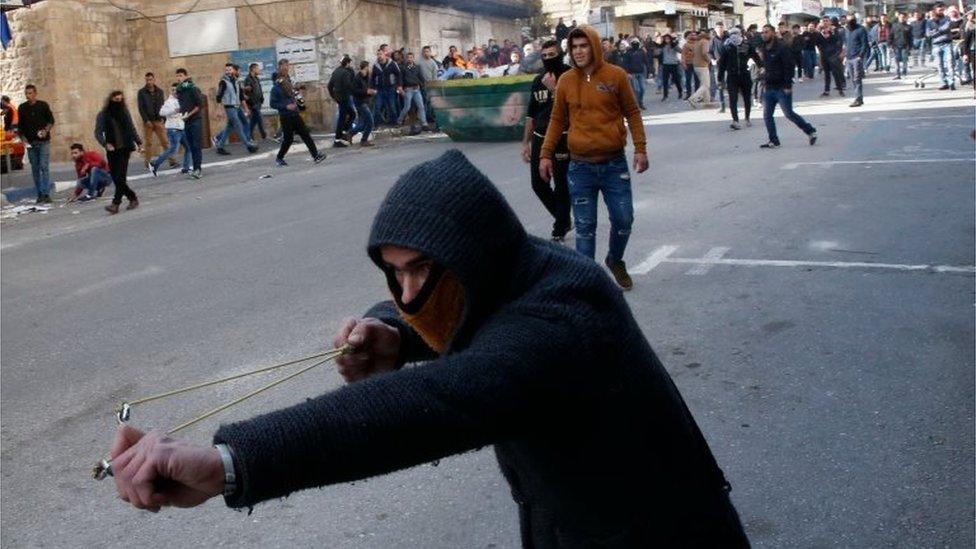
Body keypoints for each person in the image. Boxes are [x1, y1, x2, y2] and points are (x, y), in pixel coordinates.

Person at [106, 149, 750, 547]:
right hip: (575, 527)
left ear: (473, 252)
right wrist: (390, 329)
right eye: (393, 275)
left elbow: (431, 406)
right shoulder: (517, 268)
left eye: (420, 271)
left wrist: (230, 462)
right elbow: (459, 308)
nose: (407, 292)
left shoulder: (564, 315)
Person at [539, 25, 648, 290]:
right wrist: (545, 154)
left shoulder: (616, 76)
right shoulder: (565, 81)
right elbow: (556, 119)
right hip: (580, 168)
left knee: (624, 220)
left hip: (614, 164)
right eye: (574, 47)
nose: (578, 51)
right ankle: (587, 285)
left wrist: (641, 148)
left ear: (595, 47)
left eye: (583, 45)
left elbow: (632, 112)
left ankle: (615, 259)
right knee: (585, 228)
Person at [522, 39, 572, 243]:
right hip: (540, 137)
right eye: (545, 56)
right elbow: (530, 115)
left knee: (561, 185)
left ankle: (559, 226)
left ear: (560, 54)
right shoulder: (538, 80)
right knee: (538, 184)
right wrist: (525, 142)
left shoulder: (570, 76)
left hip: (563, 136)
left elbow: (572, 106)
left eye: (553, 55)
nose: (549, 59)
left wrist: (554, 90)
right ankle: (563, 217)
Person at [757, 24, 817, 149]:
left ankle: (810, 130)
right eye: (762, 32)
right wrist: (763, 71)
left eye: (766, 32)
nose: (764, 34)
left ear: (773, 33)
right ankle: (773, 140)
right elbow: (763, 63)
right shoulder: (763, 47)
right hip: (768, 86)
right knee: (767, 115)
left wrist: (787, 85)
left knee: (788, 114)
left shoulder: (782, 47)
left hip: (781, 87)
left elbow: (789, 66)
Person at [270, 59, 326, 167]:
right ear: (280, 68)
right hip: (285, 116)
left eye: (288, 66)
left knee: (305, 134)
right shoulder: (275, 88)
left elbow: (292, 92)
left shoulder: (288, 82)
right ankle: (279, 158)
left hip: (295, 114)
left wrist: (299, 93)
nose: (287, 69)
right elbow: (272, 104)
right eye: (285, 67)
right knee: (288, 139)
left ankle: (316, 156)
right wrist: (285, 106)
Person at [94, 90, 143, 214]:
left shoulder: (124, 112)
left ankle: (115, 204)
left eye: (120, 100)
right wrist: (105, 144)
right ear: (111, 100)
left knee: (120, 177)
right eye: (116, 100)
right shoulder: (103, 115)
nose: (118, 102)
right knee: (116, 178)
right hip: (112, 149)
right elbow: (98, 132)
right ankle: (132, 197)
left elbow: (131, 128)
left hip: (125, 148)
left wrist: (138, 142)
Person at [718, 27, 762, 130]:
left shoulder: (746, 45)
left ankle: (747, 117)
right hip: (732, 76)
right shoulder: (727, 47)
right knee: (733, 99)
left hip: (744, 75)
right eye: (732, 34)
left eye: (736, 33)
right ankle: (735, 120)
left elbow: (755, 57)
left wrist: (762, 66)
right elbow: (722, 64)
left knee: (747, 98)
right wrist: (720, 78)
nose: (734, 36)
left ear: (740, 34)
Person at [17, 84, 55, 204]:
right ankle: (40, 193)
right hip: (30, 143)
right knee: (35, 168)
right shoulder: (22, 108)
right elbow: (20, 127)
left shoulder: (43, 105)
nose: (28, 96)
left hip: (43, 142)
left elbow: (51, 121)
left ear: (35, 93)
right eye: (26, 93)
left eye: (30, 93)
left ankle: (46, 193)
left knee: (44, 166)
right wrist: (23, 140)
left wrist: (45, 131)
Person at [213, 63, 258, 155]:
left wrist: (245, 108)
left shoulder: (237, 81)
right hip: (229, 107)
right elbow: (219, 96)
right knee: (238, 126)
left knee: (232, 126)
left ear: (233, 70)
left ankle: (220, 146)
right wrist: (219, 110)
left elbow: (241, 96)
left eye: (230, 69)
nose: (228, 71)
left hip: (237, 107)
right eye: (227, 69)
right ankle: (249, 146)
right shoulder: (223, 82)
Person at [149, 82, 189, 177]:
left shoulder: (181, 100)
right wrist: (173, 111)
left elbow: (183, 112)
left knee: (188, 148)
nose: (175, 91)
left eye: (176, 89)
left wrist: (184, 116)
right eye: (173, 90)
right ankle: (154, 164)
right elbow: (161, 112)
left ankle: (186, 168)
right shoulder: (169, 101)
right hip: (173, 129)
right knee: (172, 149)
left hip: (181, 127)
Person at [136, 72, 173, 170]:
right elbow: (141, 108)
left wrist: (163, 118)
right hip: (148, 122)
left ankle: (172, 161)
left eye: (150, 79)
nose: (149, 82)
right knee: (148, 143)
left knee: (165, 141)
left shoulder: (160, 91)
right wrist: (146, 120)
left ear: (154, 80)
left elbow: (162, 104)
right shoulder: (141, 92)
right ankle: (147, 162)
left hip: (158, 120)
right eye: (147, 80)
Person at [175, 68, 204, 179]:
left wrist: (189, 114)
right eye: (177, 76)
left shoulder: (193, 88)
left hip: (195, 120)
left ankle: (198, 169)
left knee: (196, 146)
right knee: (191, 146)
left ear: (186, 76)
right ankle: (195, 167)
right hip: (186, 121)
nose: (179, 78)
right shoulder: (179, 90)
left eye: (181, 75)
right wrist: (179, 112)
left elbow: (199, 105)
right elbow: (183, 105)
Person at [327, 55, 357, 148]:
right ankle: (338, 138)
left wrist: (334, 96)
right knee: (348, 116)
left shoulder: (336, 71)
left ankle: (343, 132)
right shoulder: (346, 73)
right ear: (347, 63)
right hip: (344, 98)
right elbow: (349, 86)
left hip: (339, 98)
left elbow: (329, 86)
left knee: (347, 115)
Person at [928, 4, 957, 90]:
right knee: (940, 65)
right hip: (936, 45)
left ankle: (951, 82)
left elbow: (947, 27)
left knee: (950, 63)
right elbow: (928, 34)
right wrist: (940, 31)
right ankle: (944, 82)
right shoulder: (929, 22)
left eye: (942, 10)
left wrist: (936, 31)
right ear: (935, 11)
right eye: (939, 10)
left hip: (947, 43)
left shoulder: (947, 19)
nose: (941, 11)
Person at [397, 52, 429, 130]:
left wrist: (422, 85)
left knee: (421, 106)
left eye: (411, 57)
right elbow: (401, 78)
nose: (409, 59)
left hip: (416, 89)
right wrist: (400, 87)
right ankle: (399, 121)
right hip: (408, 89)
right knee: (407, 107)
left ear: (413, 58)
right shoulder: (403, 68)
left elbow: (421, 77)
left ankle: (424, 123)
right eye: (408, 57)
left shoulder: (417, 67)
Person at [370, 48, 402, 125]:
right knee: (377, 107)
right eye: (377, 54)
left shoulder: (392, 63)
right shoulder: (375, 65)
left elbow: (399, 75)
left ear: (385, 54)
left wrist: (399, 86)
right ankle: (376, 124)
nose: (379, 56)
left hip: (391, 88)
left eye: (380, 54)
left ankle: (394, 123)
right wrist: (372, 88)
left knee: (392, 107)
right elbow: (372, 78)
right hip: (379, 89)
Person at [348, 61, 375, 147]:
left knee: (362, 124)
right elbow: (354, 91)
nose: (368, 70)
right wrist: (366, 91)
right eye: (367, 68)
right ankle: (363, 140)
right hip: (360, 102)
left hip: (365, 101)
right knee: (370, 122)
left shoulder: (367, 77)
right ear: (365, 68)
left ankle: (349, 134)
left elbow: (367, 88)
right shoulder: (357, 78)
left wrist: (370, 92)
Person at [845, 15, 870, 107]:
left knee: (857, 78)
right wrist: (845, 56)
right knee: (853, 79)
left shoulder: (861, 29)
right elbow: (846, 43)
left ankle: (858, 99)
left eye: (852, 20)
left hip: (857, 58)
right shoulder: (847, 30)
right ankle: (858, 97)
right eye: (848, 20)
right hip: (849, 58)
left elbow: (864, 44)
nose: (850, 22)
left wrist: (860, 56)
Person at [818, 18, 846, 96]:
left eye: (827, 21)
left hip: (833, 55)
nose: (825, 22)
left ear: (830, 22)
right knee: (826, 74)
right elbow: (817, 43)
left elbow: (839, 43)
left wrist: (839, 53)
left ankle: (840, 89)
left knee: (836, 73)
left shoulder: (835, 31)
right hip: (824, 56)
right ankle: (826, 90)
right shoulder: (819, 33)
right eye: (823, 21)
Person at [687, 30, 714, 108]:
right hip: (702, 65)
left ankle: (707, 102)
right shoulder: (705, 41)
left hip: (696, 65)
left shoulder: (697, 42)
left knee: (703, 83)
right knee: (706, 85)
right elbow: (704, 53)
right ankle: (693, 98)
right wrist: (710, 60)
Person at [243, 63, 267, 141]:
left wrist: (262, 98)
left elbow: (259, 89)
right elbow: (246, 90)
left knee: (253, 121)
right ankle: (264, 135)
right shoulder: (248, 79)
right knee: (259, 118)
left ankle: (248, 136)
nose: (259, 70)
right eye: (258, 68)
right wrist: (247, 89)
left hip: (258, 102)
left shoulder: (256, 78)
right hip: (253, 103)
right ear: (253, 69)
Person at [622, 37, 648, 109]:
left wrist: (650, 72)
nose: (635, 44)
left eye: (637, 43)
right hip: (632, 73)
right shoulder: (628, 53)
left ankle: (640, 102)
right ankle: (636, 104)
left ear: (639, 44)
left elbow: (646, 62)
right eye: (633, 43)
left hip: (641, 73)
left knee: (643, 89)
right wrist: (627, 73)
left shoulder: (641, 52)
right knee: (636, 90)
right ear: (631, 44)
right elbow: (625, 63)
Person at [660, 34, 684, 100]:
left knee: (676, 80)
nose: (667, 40)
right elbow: (658, 53)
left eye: (668, 39)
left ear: (670, 39)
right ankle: (665, 95)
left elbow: (681, 51)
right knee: (665, 81)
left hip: (674, 64)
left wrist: (675, 46)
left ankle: (680, 92)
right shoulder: (663, 46)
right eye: (665, 39)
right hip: (665, 65)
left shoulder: (674, 45)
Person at [890, 13, 914, 80]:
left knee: (904, 60)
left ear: (906, 18)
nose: (902, 18)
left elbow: (911, 38)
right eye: (901, 17)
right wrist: (890, 44)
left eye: (903, 17)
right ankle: (897, 74)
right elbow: (891, 35)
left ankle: (904, 73)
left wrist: (911, 46)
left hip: (905, 46)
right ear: (898, 17)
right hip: (896, 46)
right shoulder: (894, 26)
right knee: (896, 60)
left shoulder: (909, 27)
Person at [681, 31, 699, 100]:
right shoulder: (686, 45)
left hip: (696, 64)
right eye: (692, 35)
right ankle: (688, 94)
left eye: (695, 35)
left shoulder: (698, 44)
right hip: (688, 64)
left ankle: (697, 94)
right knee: (688, 80)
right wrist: (684, 63)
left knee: (697, 80)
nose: (693, 36)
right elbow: (683, 54)